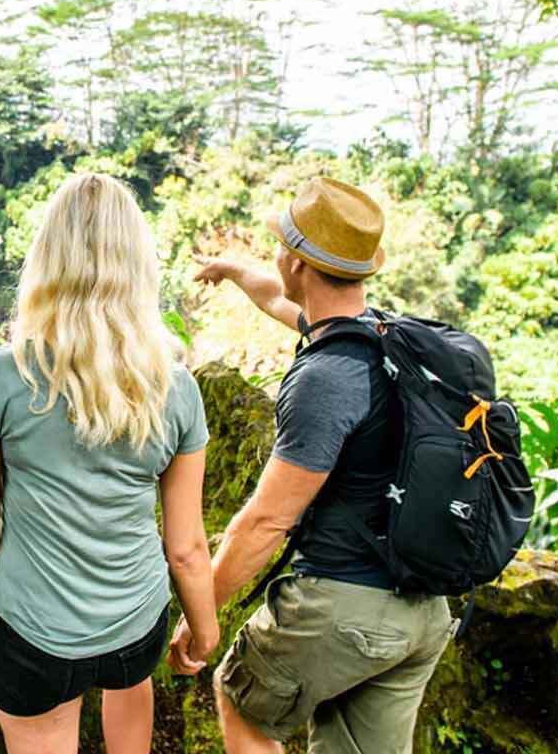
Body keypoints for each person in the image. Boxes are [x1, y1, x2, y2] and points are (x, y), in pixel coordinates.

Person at [169, 177, 453, 754]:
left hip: (345, 603)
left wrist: (203, 616)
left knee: (242, 698)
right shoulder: (386, 341)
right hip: (424, 612)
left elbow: (266, 525)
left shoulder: (325, 378)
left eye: (281, 246)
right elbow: (275, 296)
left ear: (298, 262)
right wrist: (229, 269)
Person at [0, 172, 220, 754]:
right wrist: (204, 625)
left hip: (32, 635)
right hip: (134, 626)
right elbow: (186, 548)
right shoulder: (174, 388)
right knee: (130, 687)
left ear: (48, 258)